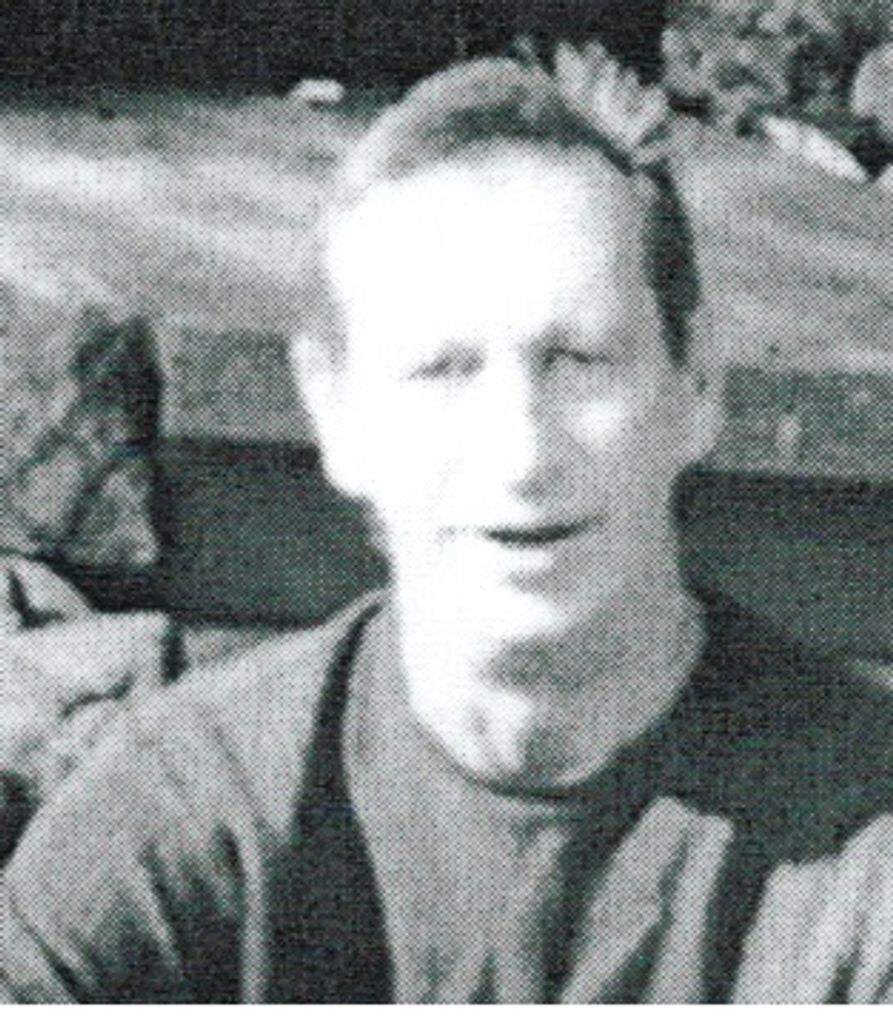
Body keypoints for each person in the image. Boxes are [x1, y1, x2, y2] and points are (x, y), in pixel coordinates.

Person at [4, 48, 893, 1005]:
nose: (520, 451)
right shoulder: (187, 819)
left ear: (697, 384)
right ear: (334, 412)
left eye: (579, 358)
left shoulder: (861, 851)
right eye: (442, 369)